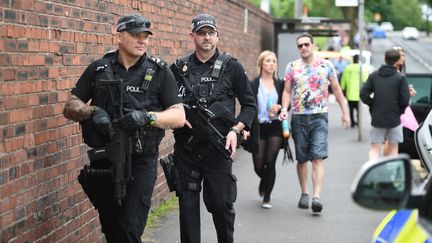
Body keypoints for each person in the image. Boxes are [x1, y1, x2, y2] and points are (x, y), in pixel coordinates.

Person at [62, 13, 185, 243]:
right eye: (136, 35)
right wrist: (92, 112)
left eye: (146, 36)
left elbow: (179, 116)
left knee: (129, 229)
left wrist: (147, 117)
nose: (143, 41)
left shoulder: (159, 71)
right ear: (119, 37)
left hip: (141, 161)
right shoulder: (99, 69)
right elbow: (70, 105)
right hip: (104, 159)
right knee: (111, 229)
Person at [170, 14, 256, 243]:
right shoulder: (178, 69)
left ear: (217, 35)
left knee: (221, 205)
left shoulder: (232, 67)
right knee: (187, 209)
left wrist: (235, 130)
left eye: (210, 33)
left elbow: (249, 105)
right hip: (187, 151)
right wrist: (177, 116)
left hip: (219, 149)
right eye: (201, 33)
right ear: (192, 36)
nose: (206, 37)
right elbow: (165, 103)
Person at [279, 32, 350, 214]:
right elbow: (287, 91)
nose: (303, 48)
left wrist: (345, 112)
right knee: (302, 158)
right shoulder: (292, 67)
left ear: (313, 46)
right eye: (300, 45)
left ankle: (316, 197)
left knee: (317, 157)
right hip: (299, 117)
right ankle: (304, 192)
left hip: (320, 116)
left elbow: (337, 89)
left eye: (306, 45)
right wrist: (284, 110)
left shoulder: (326, 65)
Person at [246, 50, 287, 209]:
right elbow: (248, 106)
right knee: (258, 164)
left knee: (270, 163)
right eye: (268, 61)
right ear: (261, 63)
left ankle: (267, 196)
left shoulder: (281, 84)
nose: (271, 64)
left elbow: (286, 104)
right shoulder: (253, 84)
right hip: (258, 127)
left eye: (274, 61)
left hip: (275, 127)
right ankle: (265, 181)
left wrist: (280, 107)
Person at [360, 49, 410, 160]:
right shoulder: (400, 78)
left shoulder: (374, 76)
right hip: (394, 119)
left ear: (385, 59)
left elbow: (363, 94)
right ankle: (392, 176)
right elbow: (405, 100)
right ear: (397, 60)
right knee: (393, 149)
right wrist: (398, 111)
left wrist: (373, 105)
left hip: (377, 117)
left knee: (375, 148)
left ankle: (373, 174)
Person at [340, 54, 369, 128]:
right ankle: (358, 122)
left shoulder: (348, 68)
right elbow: (365, 79)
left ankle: (352, 123)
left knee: (351, 109)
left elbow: (343, 79)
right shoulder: (361, 68)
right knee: (358, 110)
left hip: (350, 92)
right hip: (359, 93)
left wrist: (343, 88)